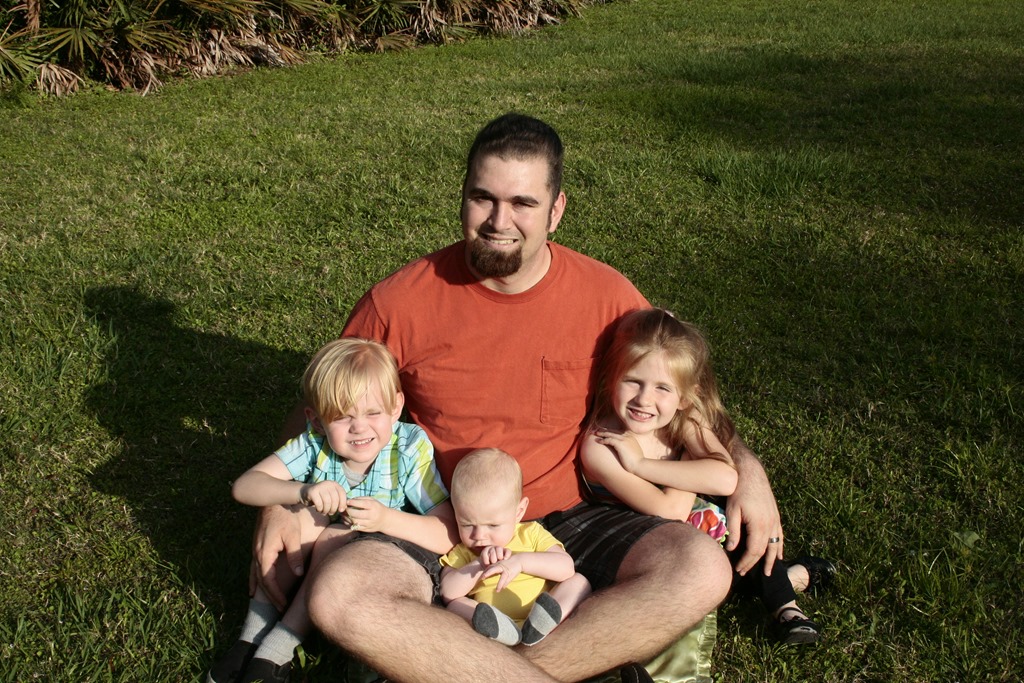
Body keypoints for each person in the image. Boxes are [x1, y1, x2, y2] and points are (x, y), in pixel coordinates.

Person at [250, 112, 783, 683]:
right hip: (438, 521)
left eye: (523, 203)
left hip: (572, 517)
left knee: (699, 568)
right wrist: (281, 503)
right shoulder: (398, 304)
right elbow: (326, 408)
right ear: (462, 196)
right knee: (340, 596)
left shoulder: (606, 297)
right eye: (482, 198)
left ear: (556, 210)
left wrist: (747, 470)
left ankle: (470, 666)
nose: (499, 221)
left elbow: (677, 393)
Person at [581, 308, 835, 645]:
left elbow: (726, 479)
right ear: (612, 378)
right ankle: (796, 577)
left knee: (742, 526)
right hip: (647, 538)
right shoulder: (601, 445)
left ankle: (788, 611)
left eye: (662, 388)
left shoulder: (682, 420)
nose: (644, 399)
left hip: (700, 527)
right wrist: (692, 465)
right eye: (633, 381)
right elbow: (668, 509)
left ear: (685, 398)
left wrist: (641, 465)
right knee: (710, 576)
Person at [208, 338, 453, 683]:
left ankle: (277, 649)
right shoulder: (314, 443)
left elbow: (446, 533)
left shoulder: (408, 448)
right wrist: (302, 491)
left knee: (332, 537)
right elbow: (245, 486)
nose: (359, 427)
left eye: (373, 413)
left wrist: (386, 518)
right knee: (298, 518)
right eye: (342, 416)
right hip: (315, 546)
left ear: (396, 407)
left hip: (367, 555)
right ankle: (249, 638)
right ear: (317, 421)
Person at [440, 448, 592, 647]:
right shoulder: (465, 552)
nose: (479, 536)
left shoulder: (530, 533)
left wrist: (520, 562)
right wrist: (479, 564)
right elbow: (448, 592)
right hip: (496, 621)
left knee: (580, 582)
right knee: (454, 606)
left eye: (493, 525)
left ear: (519, 512)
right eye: (466, 524)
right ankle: (503, 629)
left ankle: (539, 625)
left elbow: (566, 567)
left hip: (541, 611)